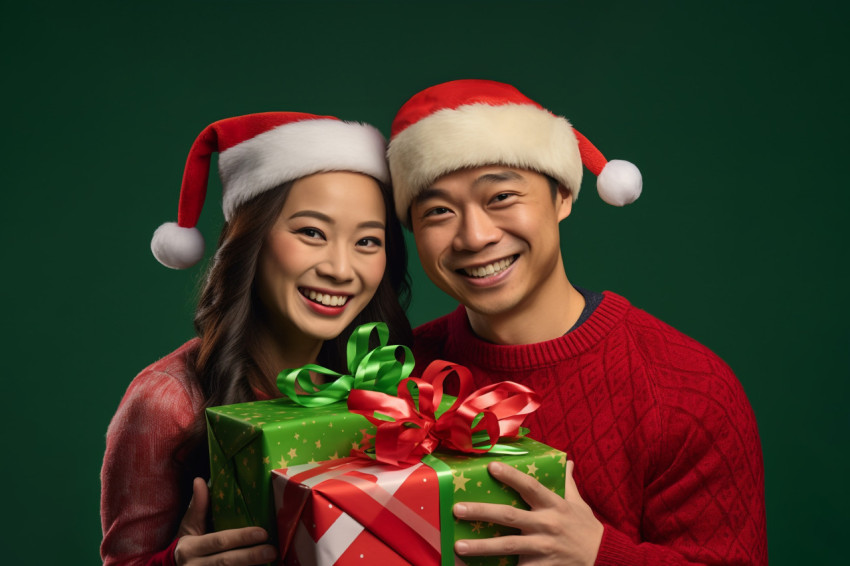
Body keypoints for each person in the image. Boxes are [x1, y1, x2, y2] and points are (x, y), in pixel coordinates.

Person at [387, 80, 767, 565]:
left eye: (501, 196)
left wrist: (598, 554)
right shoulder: (396, 376)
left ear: (563, 195)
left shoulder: (688, 390)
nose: (475, 236)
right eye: (438, 211)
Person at [100, 112, 412, 566]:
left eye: (367, 241)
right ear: (251, 239)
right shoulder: (167, 400)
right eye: (311, 232)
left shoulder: (383, 379)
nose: (341, 270)